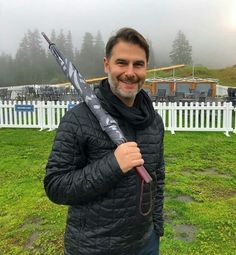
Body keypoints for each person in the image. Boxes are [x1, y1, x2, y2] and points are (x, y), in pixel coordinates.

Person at [44, 27, 165, 255]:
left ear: (146, 68)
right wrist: (113, 165)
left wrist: (156, 228)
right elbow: (55, 186)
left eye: (138, 64)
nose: (130, 72)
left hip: (145, 244)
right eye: (122, 63)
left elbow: (157, 177)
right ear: (107, 65)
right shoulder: (78, 119)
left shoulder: (153, 121)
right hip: (93, 247)